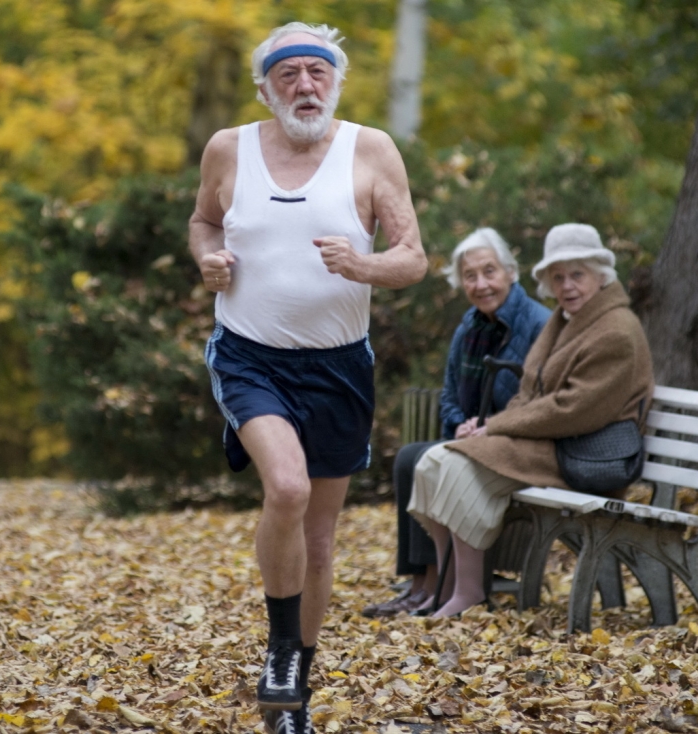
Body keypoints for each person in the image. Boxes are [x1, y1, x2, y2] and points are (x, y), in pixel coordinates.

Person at [189, 21, 427, 734]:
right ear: (265, 88)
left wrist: (366, 266)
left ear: (336, 82)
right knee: (285, 488)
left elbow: (413, 257)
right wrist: (208, 260)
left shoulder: (371, 150)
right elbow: (203, 223)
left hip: (338, 366)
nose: (304, 85)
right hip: (249, 355)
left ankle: (295, 693)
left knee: (320, 542)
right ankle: (279, 651)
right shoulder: (228, 149)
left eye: (316, 72)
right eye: (287, 73)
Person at [407, 223, 654, 618]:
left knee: (451, 463)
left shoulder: (616, 331)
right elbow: (530, 390)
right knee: (432, 463)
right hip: (552, 442)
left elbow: (574, 409)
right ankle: (448, 586)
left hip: (584, 453)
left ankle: (469, 593)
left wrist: (497, 427)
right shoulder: (566, 319)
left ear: (600, 275)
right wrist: (486, 426)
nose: (567, 285)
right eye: (558, 277)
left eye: (577, 275)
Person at [360, 228, 549, 618]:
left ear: (511, 273)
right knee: (410, 457)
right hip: (475, 436)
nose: (480, 284)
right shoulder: (469, 328)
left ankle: (437, 583)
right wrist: (460, 422)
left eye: (489, 272)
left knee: (423, 459)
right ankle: (420, 583)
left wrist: (491, 424)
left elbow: (539, 400)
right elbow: (448, 395)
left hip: (515, 442)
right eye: (470, 276)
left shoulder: (537, 324)